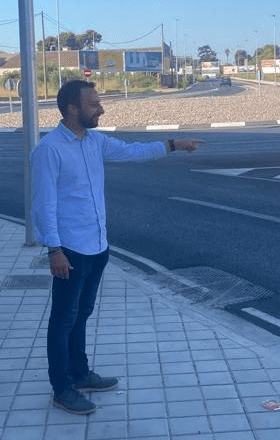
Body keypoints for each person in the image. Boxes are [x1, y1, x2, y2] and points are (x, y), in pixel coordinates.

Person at [32, 79, 202, 414]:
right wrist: (54, 249)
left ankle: (80, 373)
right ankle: (62, 388)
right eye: (94, 104)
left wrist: (172, 145)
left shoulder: (94, 142)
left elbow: (131, 151)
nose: (101, 109)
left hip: (97, 246)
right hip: (70, 250)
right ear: (72, 109)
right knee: (63, 319)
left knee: (82, 313)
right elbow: (43, 205)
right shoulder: (49, 150)